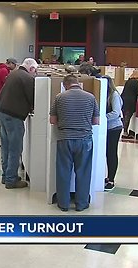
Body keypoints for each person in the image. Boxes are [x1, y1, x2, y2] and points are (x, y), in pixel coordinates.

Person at [49, 74, 100, 211]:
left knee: (63, 172)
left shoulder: (59, 97)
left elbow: (52, 120)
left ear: (65, 85)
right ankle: (82, 204)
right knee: (83, 172)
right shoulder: (91, 97)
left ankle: (63, 204)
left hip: (64, 139)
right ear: (78, 83)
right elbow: (96, 121)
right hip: (85, 140)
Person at [0, 58, 38, 189]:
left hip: (2, 113)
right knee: (15, 148)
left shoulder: (13, 74)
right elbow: (33, 98)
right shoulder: (27, 78)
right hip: (14, 116)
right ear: (31, 69)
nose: (35, 74)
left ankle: (6, 176)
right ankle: (11, 180)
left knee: (6, 147)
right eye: (35, 71)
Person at [102, 76, 123, 191]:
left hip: (114, 127)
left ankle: (111, 179)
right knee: (106, 153)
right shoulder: (104, 94)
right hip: (107, 128)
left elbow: (116, 112)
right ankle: (108, 176)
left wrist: (102, 118)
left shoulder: (114, 95)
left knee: (111, 153)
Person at [0, 58, 18, 136]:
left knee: (0, 113)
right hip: (1, 94)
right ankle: (1, 131)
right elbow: (7, 83)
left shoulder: (2, 69)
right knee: (1, 113)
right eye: (14, 65)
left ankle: (0, 131)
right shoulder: (4, 71)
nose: (15, 67)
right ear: (10, 63)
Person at [121, 73, 138, 139]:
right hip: (131, 101)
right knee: (128, 117)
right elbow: (137, 92)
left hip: (123, 99)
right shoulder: (137, 83)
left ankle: (124, 131)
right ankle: (125, 133)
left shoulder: (128, 81)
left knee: (125, 116)